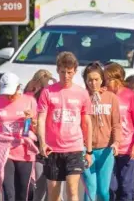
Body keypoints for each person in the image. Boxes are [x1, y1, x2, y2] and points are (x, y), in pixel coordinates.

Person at [36, 51, 93, 201]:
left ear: (75, 71)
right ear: (57, 70)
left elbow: (87, 122)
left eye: (69, 72)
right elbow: (41, 119)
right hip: (52, 149)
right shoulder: (47, 92)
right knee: (53, 193)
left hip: (74, 147)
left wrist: (89, 150)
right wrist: (42, 143)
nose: (66, 76)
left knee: (72, 190)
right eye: (62, 72)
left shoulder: (82, 93)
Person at [0, 72, 39, 201]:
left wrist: (33, 121)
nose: (9, 96)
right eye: (6, 93)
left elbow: (36, 131)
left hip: (24, 151)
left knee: (25, 192)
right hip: (3, 150)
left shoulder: (29, 101)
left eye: (12, 93)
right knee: (9, 193)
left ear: (18, 87)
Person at [80, 61, 121, 201]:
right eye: (90, 80)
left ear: (102, 79)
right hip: (86, 150)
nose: (93, 83)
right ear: (85, 81)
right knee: (90, 188)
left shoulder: (111, 98)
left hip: (106, 150)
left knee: (103, 191)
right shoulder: (82, 97)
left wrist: (116, 142)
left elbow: (116, 124)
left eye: (96, 79)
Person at [103, 62, 134, 201]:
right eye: (105, 78)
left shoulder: (130, 96)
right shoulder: (103, 95)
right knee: (111, 187)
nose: (106, 82)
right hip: (107, 148)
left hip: (127, 148)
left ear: (118, 79)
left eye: (108, 79)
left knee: (127, 188)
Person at [23, 69, 61, 201]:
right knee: (40, 184)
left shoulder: (53, 97)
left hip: (52, 144)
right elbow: (25, 129)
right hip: (36, 146)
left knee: (52, 184)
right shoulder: (29, 98)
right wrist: (31, 124)